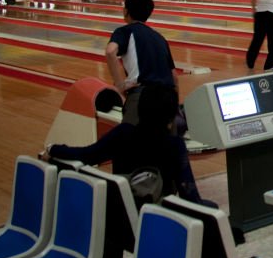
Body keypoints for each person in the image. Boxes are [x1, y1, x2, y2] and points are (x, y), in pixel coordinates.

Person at [42, 85, 203, 204]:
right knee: (211, 209)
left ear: (140, 109)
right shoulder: (174, 145)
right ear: (171, 116)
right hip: (156, 220)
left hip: (121, 220)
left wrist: (53, 148)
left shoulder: (123, 133)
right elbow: (190, 195)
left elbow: (86, 155)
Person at [106, 0, 177, 125]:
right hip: (169, 97)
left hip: (144, 96)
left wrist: (120, 85)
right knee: (164, 144)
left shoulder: (124, 31)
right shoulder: (160, 38)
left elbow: (110, 52)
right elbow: (174, 77)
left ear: (126, 11)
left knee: (133, 143)